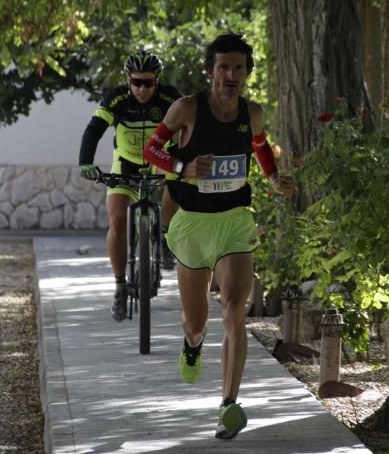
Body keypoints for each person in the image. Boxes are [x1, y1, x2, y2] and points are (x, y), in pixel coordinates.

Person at [142, 33, 295, 439]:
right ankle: (193, 343)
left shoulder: (253, 112)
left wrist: (275, 178)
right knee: (197, 320)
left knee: (233, 310)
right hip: (193, 223)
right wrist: (182, 168)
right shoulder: (187, 108)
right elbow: (152, 150)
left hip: (234, 222)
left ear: (246, 73)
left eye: (238, 68)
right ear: (210, 71)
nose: (231, 75)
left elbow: (260, 147)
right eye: (223, 67)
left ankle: (229, 403)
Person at [79, 49, 181, 322]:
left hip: (161, 161)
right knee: (116, 221)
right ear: (128, 80)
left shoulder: (171, 99)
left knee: (177, 187)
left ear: (157, 81)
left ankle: (166, 234)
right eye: (137, 82)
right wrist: (85, 162)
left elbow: (191, 126)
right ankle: (120, 286)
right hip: (125, 164)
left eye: (149, 83)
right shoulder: (117, 99)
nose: (142, 89)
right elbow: (94, 128)